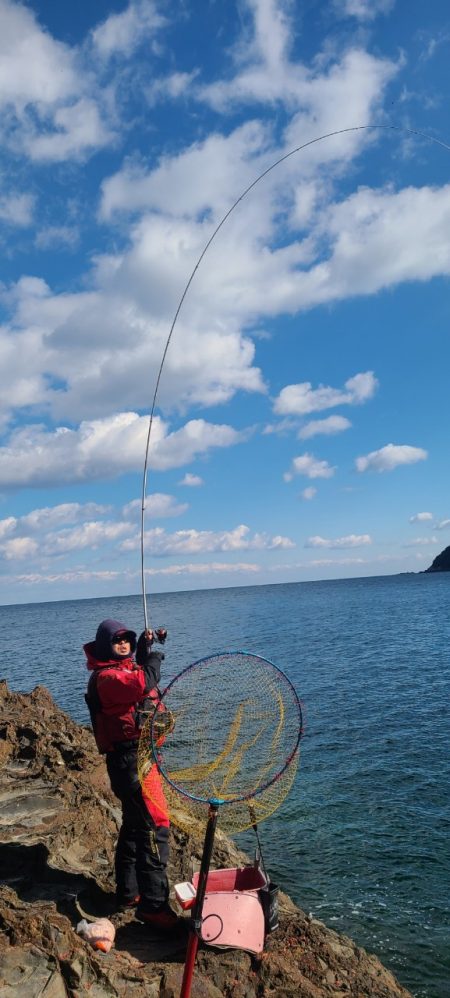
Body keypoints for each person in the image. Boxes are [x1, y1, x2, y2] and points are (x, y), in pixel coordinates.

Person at [84, 617, 179, 930]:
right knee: (155, 827)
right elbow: (142, 684)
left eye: (127, 638)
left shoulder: (118, 670)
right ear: (104, 646)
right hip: (131, 762)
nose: (123, 643)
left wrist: (145, 649)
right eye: (117, 640)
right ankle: (153, 906)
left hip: (135, 759)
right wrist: (153, 658)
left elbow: (136, 678)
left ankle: (128, 893)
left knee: (135, 825)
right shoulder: (107, 678)